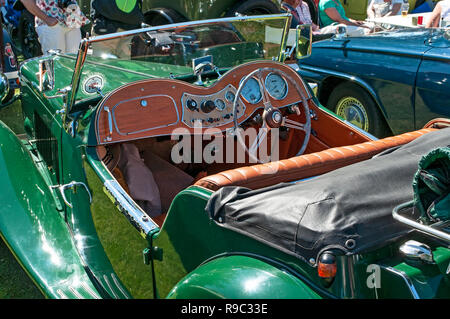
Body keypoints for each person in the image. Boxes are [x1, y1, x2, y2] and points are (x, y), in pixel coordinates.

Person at [20, 0, 88, 54]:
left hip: (73, 21)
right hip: (51, 23)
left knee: (75, 61)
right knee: (55, 63)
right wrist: (46, 18)